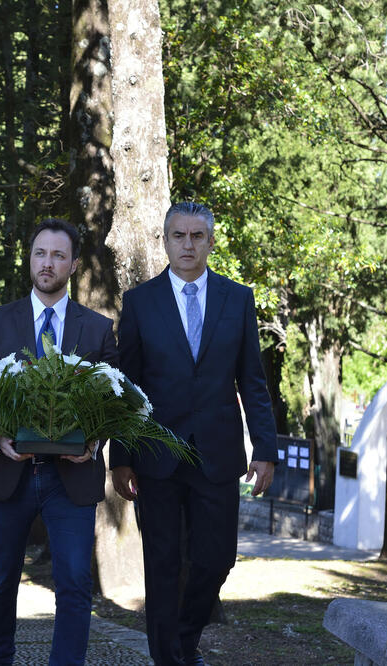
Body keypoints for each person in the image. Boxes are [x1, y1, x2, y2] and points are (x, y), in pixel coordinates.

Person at [110, 202, 277, 666]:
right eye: (179, 236)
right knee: (162, 566)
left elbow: (253, 379)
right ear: (165, 241)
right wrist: (120, 458)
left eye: (197, 236)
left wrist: (265, 447)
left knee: (216, 559)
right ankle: (170, 659)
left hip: (218, 455)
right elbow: (128, 386)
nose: (188, 244)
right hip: (156, 455)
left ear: (210, 241)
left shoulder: (237, 298)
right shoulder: (140, 302)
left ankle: (182, 642)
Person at [0, 218, 119, 666]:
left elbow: (115, 400)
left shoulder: (96, 329)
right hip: (6, 474)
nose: (47, 262)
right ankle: (0, 660)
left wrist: (92, 442)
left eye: (57, 255)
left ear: (72, 264)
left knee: (73, 583)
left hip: (69, 479)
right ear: (29, 259)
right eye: (40, 253)